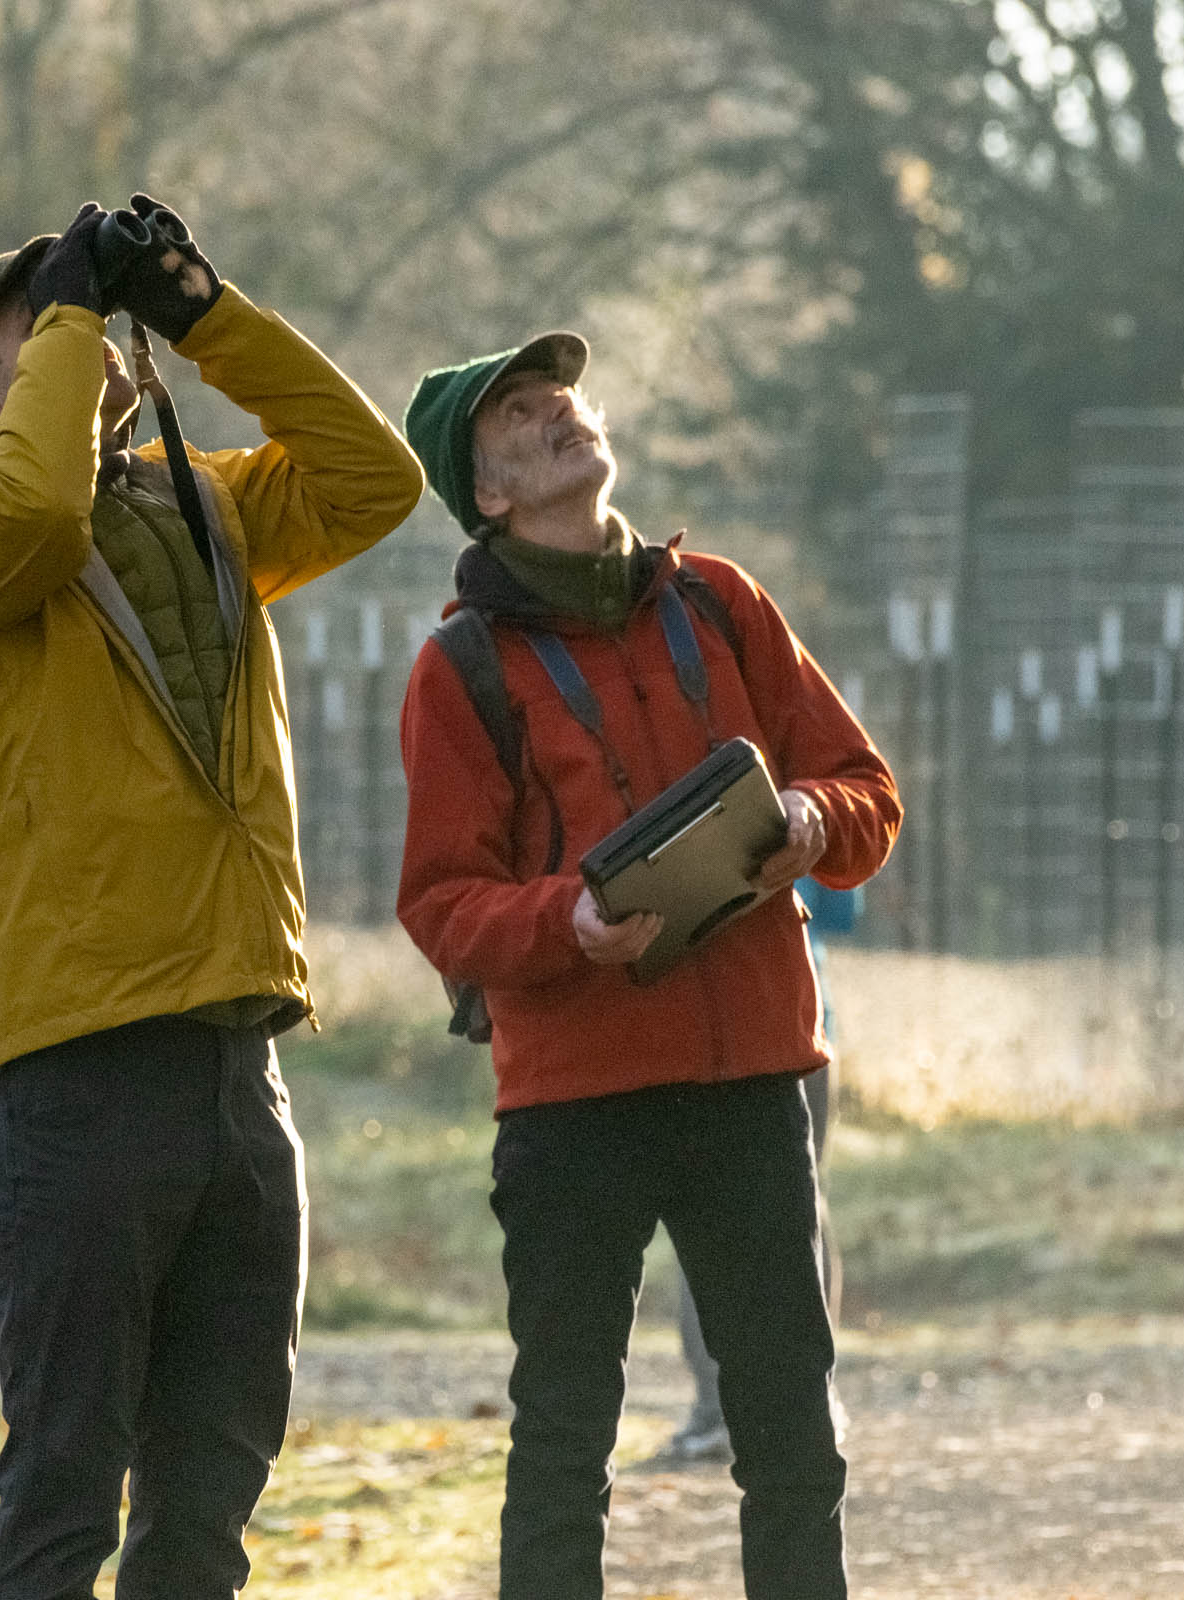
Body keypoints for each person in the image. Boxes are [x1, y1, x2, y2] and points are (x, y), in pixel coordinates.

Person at [0, 195, 422, 1599]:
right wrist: (65, 308)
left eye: (83, 316)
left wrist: (200, 313)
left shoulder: (199, 502)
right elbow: (39, 508)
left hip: (239, 1053)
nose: (85, 335)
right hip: (74, 1064)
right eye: (39, 330)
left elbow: (377, 479)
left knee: (210, 1492)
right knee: (65, 1488)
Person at [394, 332, 900, 1600]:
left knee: (793, 1443)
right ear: (489, 493)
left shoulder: (724, 600)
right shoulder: (456, 670)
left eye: (560, 392)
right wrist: (567, 922)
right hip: (573, 1104)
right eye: (519, 413)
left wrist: (808, 821)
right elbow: (441, 906)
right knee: (564, 1448)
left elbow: (869, 792)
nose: (559, 409)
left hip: (751, 1084)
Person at [639, 877, 855, 1472]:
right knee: (803, 1203)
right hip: (796, 1023)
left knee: (709, 1207)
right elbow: (842, 908)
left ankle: (723, 1406)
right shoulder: (787, 797)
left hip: (743, 1027)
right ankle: (805, 1396)